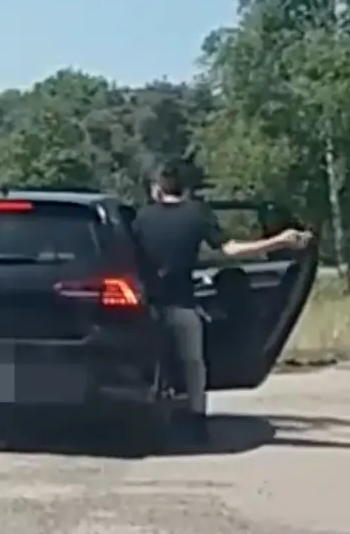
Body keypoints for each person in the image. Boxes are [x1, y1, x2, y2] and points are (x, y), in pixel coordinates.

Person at [130, 158, 313, 442]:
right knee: (193, 362)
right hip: (182, 305)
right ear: (186, 190)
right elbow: (231, 250)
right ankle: (196, 421)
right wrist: (279, 241)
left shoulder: (140, 218)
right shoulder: (197, 215)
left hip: (145, 307)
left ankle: (144, 413)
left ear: (156, 189)